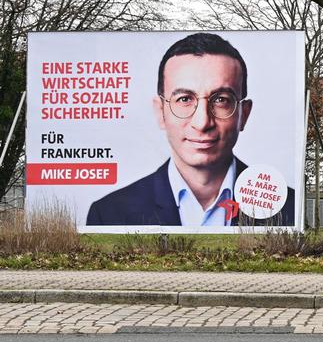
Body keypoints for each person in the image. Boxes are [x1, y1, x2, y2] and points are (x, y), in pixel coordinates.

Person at [86, 33, 295, 226]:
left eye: (221, 100)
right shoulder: (109, 213)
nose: (202, 122)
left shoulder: (288, 210)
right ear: (160, 112)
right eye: (184, 99)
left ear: (244, 114)